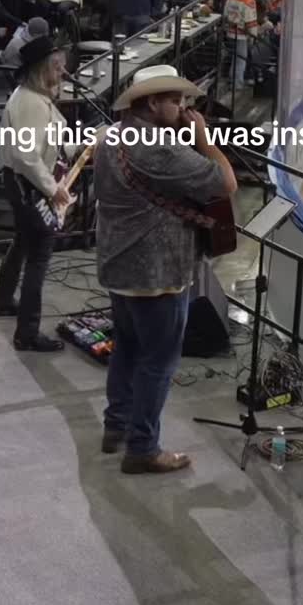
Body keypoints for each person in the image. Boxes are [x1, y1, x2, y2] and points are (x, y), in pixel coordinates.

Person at [94, 65, 237, 473]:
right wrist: (204, 139)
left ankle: (116, 426)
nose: (184, 108)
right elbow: (225, 182)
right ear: (153, 103)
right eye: (175, 100)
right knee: (158, 363)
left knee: (126, 348)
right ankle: (143, 448)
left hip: (119, 266)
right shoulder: (161, 148)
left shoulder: (111, 136)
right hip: (158, 275)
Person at [0, 36, 72, 351]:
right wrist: (54, 189)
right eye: (58, 66)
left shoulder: (32, 98)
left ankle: (2, 300)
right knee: (40, 251)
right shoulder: (31, 103)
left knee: (24, 242)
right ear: (42, 70)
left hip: (21, 181)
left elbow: (44, 146)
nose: (63, 71)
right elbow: (27, 155)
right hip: (27, 184)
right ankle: (27, 332)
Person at [223, 0, 260, 88]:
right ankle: (237, 83)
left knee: (234, 57)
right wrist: (253, 36)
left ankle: (231, 78)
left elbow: (225, 14)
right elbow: (250, 21)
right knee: (241, 59)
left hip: (229, 31)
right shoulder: (249, 1)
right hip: (241, 35)